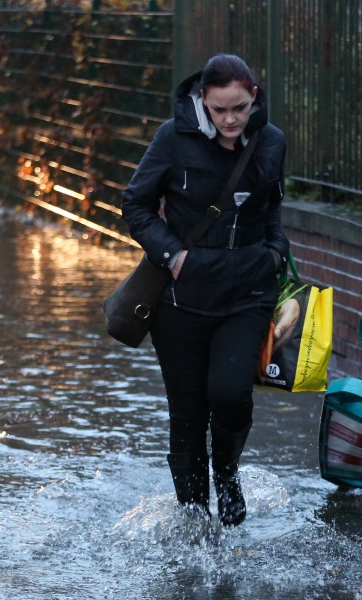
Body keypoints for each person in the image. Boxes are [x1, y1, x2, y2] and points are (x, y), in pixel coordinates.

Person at [121, 53, 290, 526]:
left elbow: (273, 207)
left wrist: (275, 252)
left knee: (232, 393)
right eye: (219, 110)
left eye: (239, 107)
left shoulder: (271, 142)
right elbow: (134, 203)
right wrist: (172, 255)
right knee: (189, 416)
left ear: (253, 96)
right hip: (182, 302)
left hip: (248, 294)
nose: (231, 119)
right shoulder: (174, 139)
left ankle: (229, 475)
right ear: (203, 101)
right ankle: (194, 519)